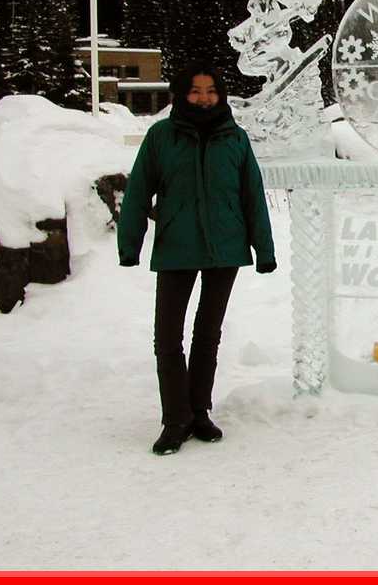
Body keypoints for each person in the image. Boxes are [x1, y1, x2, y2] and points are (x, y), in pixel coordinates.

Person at [117, 63, 276, 455]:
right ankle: (175, 418)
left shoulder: (236, 139)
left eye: (210, 91)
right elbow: (138, 192)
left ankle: (199, 411)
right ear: (181, 95)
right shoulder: (161, 137)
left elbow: (252, 195)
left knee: (208, 334)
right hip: (176, 247)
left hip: (225, 249)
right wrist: (129, 245)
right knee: (168, 336)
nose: (204, 98)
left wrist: (264, 249)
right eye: (195, 91)